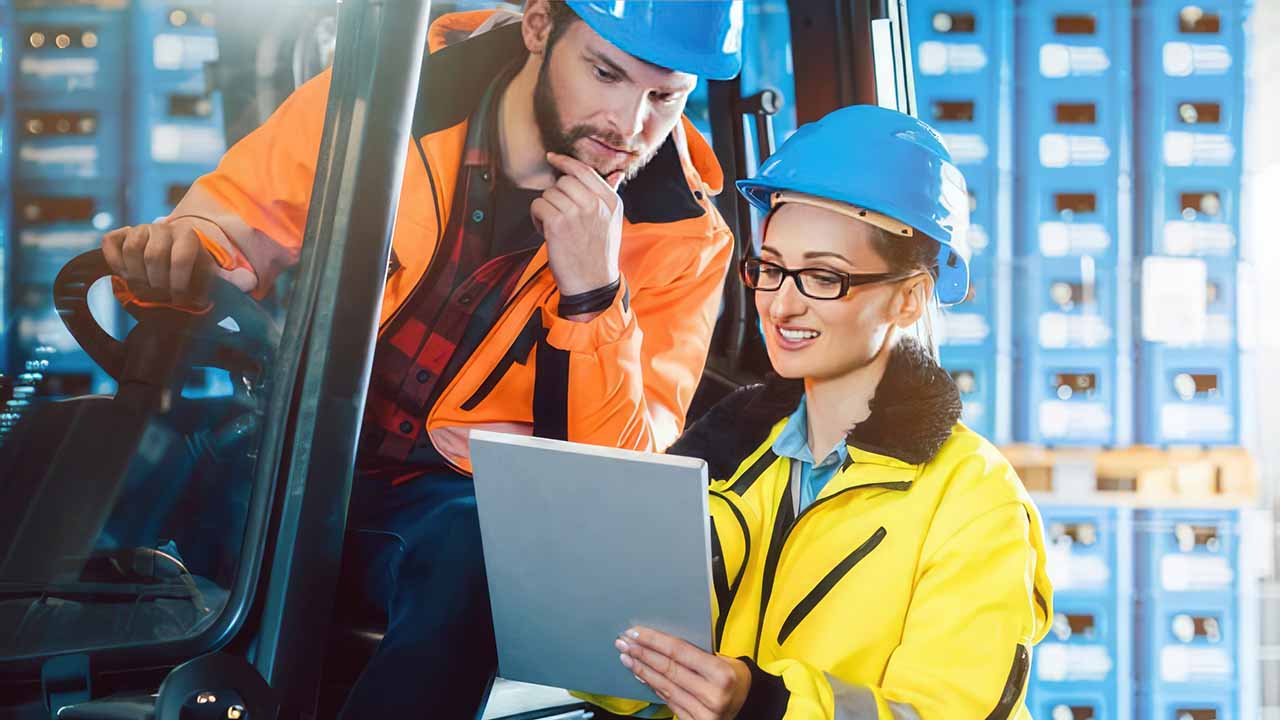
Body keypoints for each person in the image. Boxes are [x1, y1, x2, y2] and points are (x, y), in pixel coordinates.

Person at [100, 1, 743, 716]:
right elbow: (237, 220)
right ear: (538, 26)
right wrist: (186, 254)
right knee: (103, 451)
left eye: (665, 97)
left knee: (479, 553)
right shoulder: (382, 105)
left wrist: (592, 295)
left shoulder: (682, 242)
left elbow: (618, 483)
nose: (628, 127)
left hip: (440, 510)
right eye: (604, 73)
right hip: (292, 459)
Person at [583, 106, 1054, 719]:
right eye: (772, 268)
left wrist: (762, 706)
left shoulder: (973, 500)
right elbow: (626, 678)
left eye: (823, 278)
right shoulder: (726, 458)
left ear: (910, 298)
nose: (781, 305)